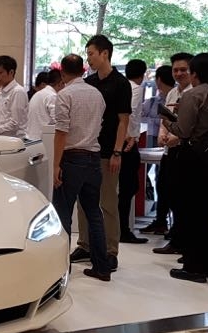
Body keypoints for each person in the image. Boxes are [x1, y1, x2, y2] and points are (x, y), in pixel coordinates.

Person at [161, 52, 208, 283]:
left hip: (193, 158)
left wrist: (167, 120)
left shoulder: (193, 95)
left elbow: (182, 131)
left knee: (191, 212)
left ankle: (194, 267)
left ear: (195, 73)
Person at [71, 35, 142, 274]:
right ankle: (85, 245)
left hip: (109, 151)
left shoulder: (121, 84)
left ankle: (111, 251)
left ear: (105, 53)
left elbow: (123, 121)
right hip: (87, 149)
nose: (89, 58)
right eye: (87, 54)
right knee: (83, 201)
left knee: (108, 202)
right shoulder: (89, 82)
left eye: (91, 54)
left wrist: (117, 152)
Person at [51, 54, 110, 281]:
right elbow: (101, 125)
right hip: (94, 158)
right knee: (94, 212)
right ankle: (102, 267)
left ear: (63, 72)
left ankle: (61, 269)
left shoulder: (65, 95)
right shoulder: (97, 94)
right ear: (83, 71)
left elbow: (61, 133)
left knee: (63, 212)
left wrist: (56, 165)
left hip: (72, 158)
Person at [153, 52, 195, 254]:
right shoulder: (172, 93)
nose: (178, 73)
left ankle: (182, 242)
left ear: (192, 71)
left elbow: (193, 126)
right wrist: (162, 134)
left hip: (185, 152)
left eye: (183, 70)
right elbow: (165, 118)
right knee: (167, 191)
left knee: (183, 199)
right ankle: (176, 237)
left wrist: (176, 138)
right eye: (175, 70)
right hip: (169, 151)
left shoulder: (194, 94)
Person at [141, 65, 175, 235]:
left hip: (171, 145)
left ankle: (167, 223)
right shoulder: (156, 99)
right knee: (161, 182)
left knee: (168, 184)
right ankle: (161, 220)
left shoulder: (170, 97)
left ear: (159, 80)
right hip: (160, 141)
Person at [117, 59, 147, 244]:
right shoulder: (135, 88)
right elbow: (130, 113)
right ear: (142, 74)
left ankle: (121, 228)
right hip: (127, 143)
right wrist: (129, 137)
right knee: (128, 187)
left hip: (123, 141)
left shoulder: (123, 86)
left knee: (126, 186)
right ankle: (123, 230)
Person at [26, 68, 62, 141]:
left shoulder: (38, 94)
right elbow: (58, 121)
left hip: (30, 138)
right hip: (41, 140)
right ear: (60, 83)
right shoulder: (52, 96)